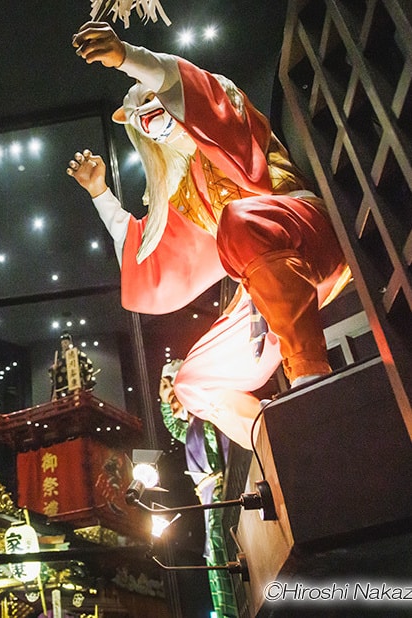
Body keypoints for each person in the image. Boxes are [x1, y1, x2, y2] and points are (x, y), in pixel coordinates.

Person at [66, 21, 349, 448]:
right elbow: (146, 253)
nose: (150, 117)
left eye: (153, 99)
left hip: (305, 235)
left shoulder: (227, 121)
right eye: (140, 116)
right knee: (194, 382)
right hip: (266, 291)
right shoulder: (184, 195)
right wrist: (100, 193)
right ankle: (281, 445)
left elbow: (201, 97)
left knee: (240, 220)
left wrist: (128, 58)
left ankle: (310, 378)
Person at [160, 360, 236, 617]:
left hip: (221, 494)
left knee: (219, 552)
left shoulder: (206, 416)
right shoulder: (193, 425)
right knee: (216, 557)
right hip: (211, 498)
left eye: (174, 396)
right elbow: (173, 425)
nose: (171, 404)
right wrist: (166, 399)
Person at [48, 331, 97, 400]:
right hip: (63, 387)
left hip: (75, 384)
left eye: (66, 343)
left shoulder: (77, 353)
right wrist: (53, 369)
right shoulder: (59, 359)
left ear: (70, 343)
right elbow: (52, 373)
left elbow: (88, 363)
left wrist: (82, 371)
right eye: (63, 343)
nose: (64, 345)